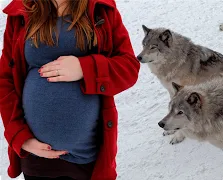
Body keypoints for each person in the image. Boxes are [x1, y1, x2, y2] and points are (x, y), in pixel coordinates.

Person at [0, 0, 140, 179]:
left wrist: (85, 68)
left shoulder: (100, 8)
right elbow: (5, 80)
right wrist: (20, 137)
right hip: (37, 160)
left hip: (85, 159)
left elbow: (128, 68)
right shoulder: (22, 10)